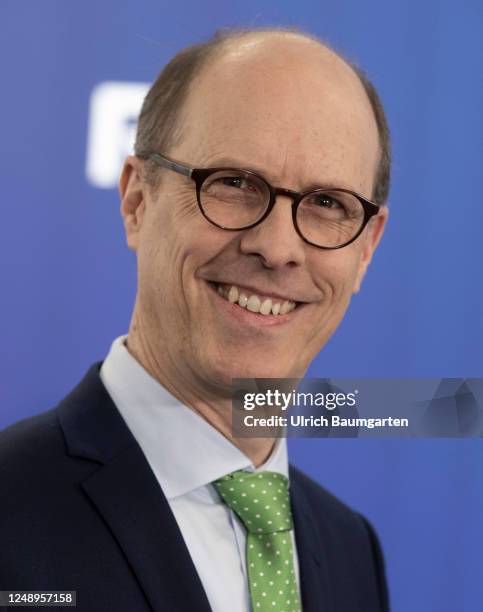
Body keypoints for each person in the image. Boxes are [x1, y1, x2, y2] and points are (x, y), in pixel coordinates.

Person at [0, 27, 390, 611]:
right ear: (137, 201)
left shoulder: (350, 548)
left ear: (365, 250)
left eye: (328, 203)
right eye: (235, 183)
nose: (278, 246)